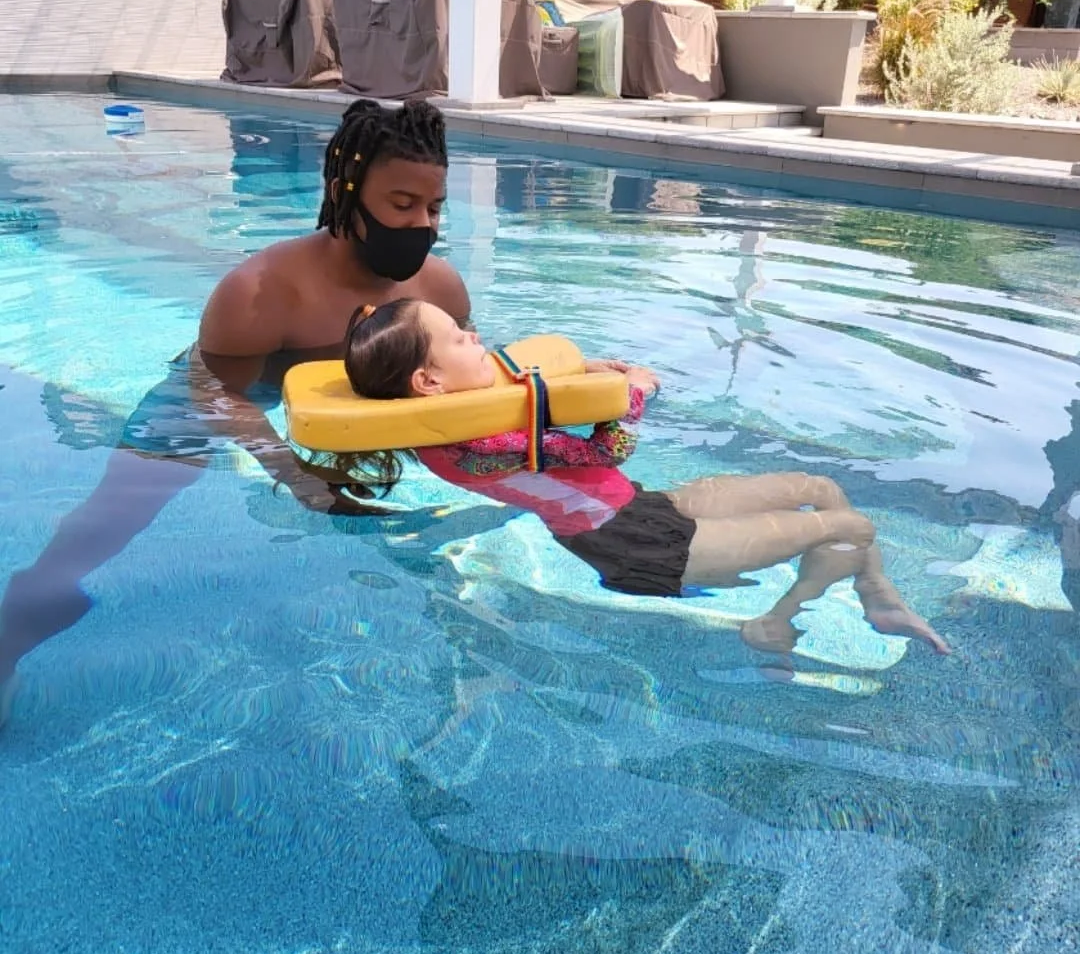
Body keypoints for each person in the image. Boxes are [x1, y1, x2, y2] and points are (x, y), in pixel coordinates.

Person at [0, 100, 470, 715]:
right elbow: (215, 392)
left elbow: (470, 368)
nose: (421, 226)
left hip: (349, 393)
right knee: (119, 509)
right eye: (401, 205)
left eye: (433, 209)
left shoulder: (437, 288)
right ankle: (22, 613)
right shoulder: (261, 292)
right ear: (344, 191)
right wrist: (295, 474)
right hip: (224, 387)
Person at [342, 300, 951, 656]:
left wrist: (586, 378)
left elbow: (529, 400)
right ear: (429, 382)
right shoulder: (482, 440)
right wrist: (633, 393)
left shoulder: (444, 425)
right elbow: (610, 452)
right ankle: (778, 621)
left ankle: (879, 599)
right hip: (634, 543)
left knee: (817, 490)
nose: (476, 337)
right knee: (852, 525)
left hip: (641, 510)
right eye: (458, 337)